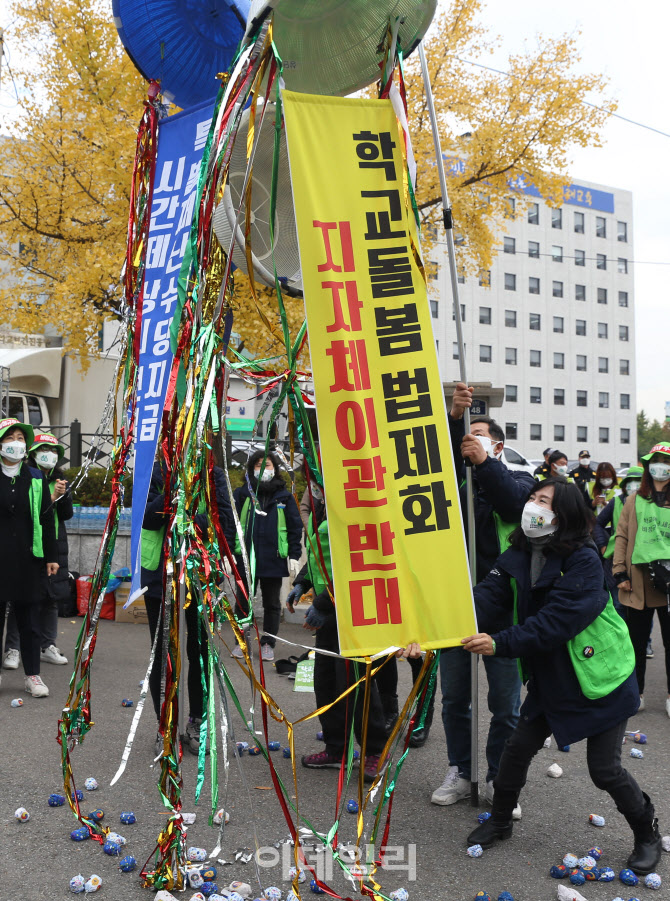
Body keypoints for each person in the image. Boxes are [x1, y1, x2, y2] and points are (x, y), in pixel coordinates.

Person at [462, 478, 661, 877]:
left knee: (604, 770)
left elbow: (555, 623)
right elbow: (487, 595)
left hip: (601, 677)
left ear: (566, 514)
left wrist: (499, 643)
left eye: (545, 502)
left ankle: (647, 832)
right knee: (516, 750)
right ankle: (500, 821)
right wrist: (445, 627)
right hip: (554, 678)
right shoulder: (519, 549)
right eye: (534, 498)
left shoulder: (585, 560)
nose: (534, 507)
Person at [431, 384, 534, 812]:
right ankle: (460, 768)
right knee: (455, 697)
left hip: (502, 612)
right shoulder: (452, 485)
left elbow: (513, 505)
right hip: (455, 606)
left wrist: (485, 463)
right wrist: (454, 419)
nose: (470, 441)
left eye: (480, 435)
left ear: (498, 444)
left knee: (505, 702)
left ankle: (498, 776)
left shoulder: (520, 480)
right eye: (465, 437)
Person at [287, 500, 387, 782]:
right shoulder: (325, 505)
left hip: (352, 614)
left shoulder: (354, 506)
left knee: (357, 684)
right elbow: (322, 555)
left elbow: (353, 563)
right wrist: (302, 583)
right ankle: (337, 748)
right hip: (329, 617)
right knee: (326, 684)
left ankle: (374, 751)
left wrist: (321, 603)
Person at [141, 459, 235, 754]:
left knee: (199, 652)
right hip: (160, 577)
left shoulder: (213, 475)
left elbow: (224, 524)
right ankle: (165, 725)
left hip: (199, 577)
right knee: (164, 655)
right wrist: (171, 491)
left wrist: (192, 511)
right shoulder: (152, 471)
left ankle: (196, 721)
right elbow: (147, 517)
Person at [3, 432, 72, 670]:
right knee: (15, 600)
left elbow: (61, 516)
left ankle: (46, 646)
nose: (50, 455)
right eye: (45, 449)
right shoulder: (26, 477)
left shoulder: (56, 479)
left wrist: (60, 497)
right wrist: (50, 497)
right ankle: (12, 648)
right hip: (20, 548)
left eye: (55, 451)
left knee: (48, 599)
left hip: (50, 544)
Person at [0, 418, 58, 698]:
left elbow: (47, 519)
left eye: (21, 438)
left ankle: (32, 675)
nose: (16, 443)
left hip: (28, 559)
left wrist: (51, 556)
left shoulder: (35, 478)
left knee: (30, 622)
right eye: (10, 437)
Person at [613, 442, 670, 716]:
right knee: (635, 643)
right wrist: (619, 571)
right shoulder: (635, 500)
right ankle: (637, 693)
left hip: (668, 583)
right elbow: (621, 535)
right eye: (656, 460)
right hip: (638, 582)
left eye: (665, 461)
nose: (661, 466)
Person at [232, 450, 303, 662]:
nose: (263, 469)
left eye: (268, 465)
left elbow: (294, 526)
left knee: (272, 604)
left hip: (274, 558)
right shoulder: (242, 493)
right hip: (245, 558)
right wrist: (228, 553)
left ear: (275, 468)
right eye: (259, 465)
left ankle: (267, 644)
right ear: (252, 468)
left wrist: (294, 555)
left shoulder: (284, 496)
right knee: (243, 602)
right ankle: (241, 643)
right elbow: (231, 523)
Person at [594, 466, 642, 607]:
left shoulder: (651, 504)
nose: (634, 485)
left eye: (638, 481)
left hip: (640, 561)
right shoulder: (616, 502)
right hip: (617, 559)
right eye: (630, 481)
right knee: (618, 603)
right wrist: (603, 545)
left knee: (641, 606)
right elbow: (597, 524)